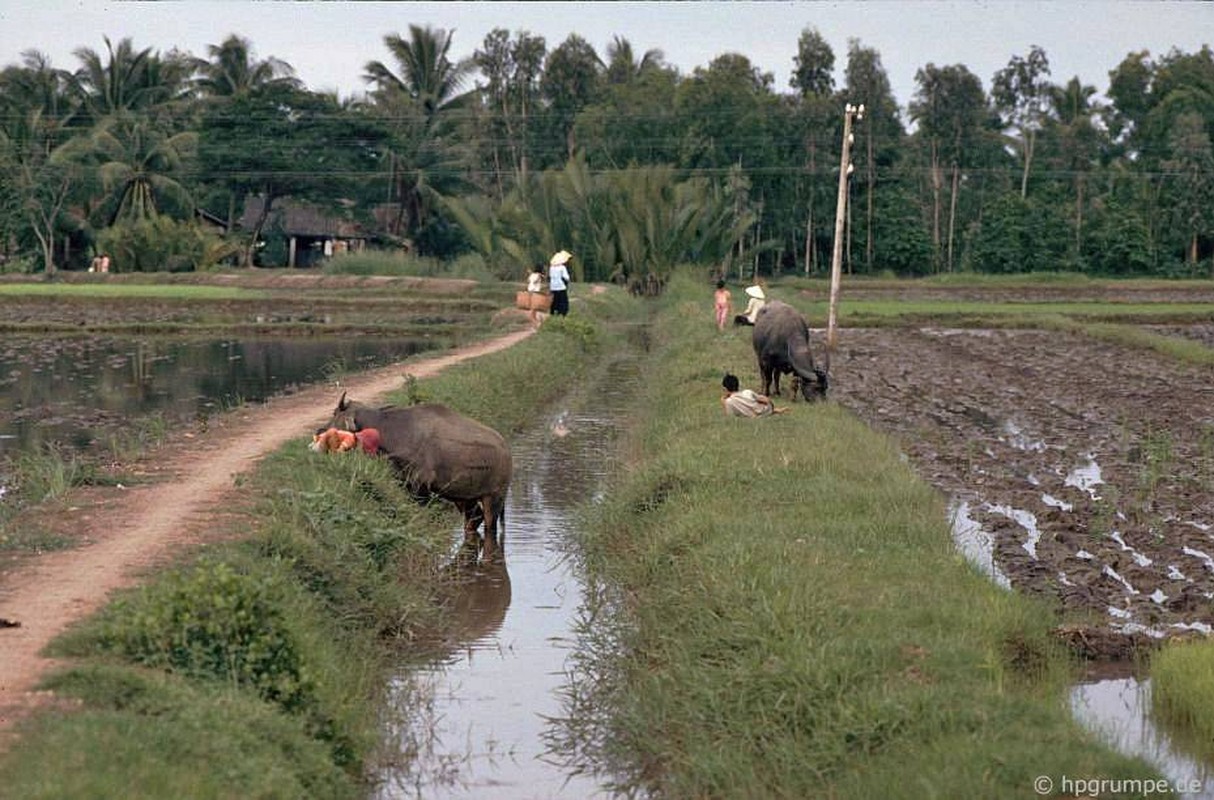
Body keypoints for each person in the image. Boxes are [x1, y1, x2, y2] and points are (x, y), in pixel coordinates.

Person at [721, 372, 787, 417]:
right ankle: (774, 410)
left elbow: (729, 415)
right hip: (765, 411)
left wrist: (723, 401)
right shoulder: (747, 392)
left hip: (751, 416)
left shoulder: (729, 402)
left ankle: (774, 411)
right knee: (758, 402)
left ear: (725, 389)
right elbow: (766, 400)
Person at [548, 250, 572, 317]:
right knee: (563, 301)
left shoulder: (551, 267)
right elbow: (566, 277)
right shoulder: (562, 267)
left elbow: (550, 276)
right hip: (561, 287)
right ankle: (562, 313)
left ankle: (553, 312)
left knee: (554, 300)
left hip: (553, 287)